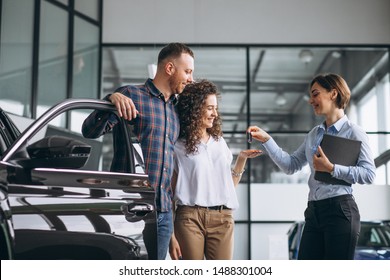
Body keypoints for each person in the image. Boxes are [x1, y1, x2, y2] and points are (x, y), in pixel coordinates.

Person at [82, 43, 195, 260]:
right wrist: (109, 100)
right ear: (170, 68)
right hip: (131, 210)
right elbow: (89, 131)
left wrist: (170, 225)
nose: (190, 78)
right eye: (187, 71)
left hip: (162, 213)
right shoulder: (131, 95)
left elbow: (171, 169)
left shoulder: (175, 111)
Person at [247, 73, 376, 260]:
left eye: (315, 94)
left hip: (340, 210)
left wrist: (332, 168)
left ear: (333, 94)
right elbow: (291, 165)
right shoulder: (314, 134)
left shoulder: (354, 132)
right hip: (314, 212)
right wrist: (267, 140)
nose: (311, 100)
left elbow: (369, 174)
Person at [169, 80, 262, 260]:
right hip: (189, 218)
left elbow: (228, 186)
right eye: (210, 108)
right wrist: (171, 236)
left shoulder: (219, 143)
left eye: (215, 108)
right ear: (195, 109)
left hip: (222, 217)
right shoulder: (177, 146)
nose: (215, 114)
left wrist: (241, 159)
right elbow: (170, 193)